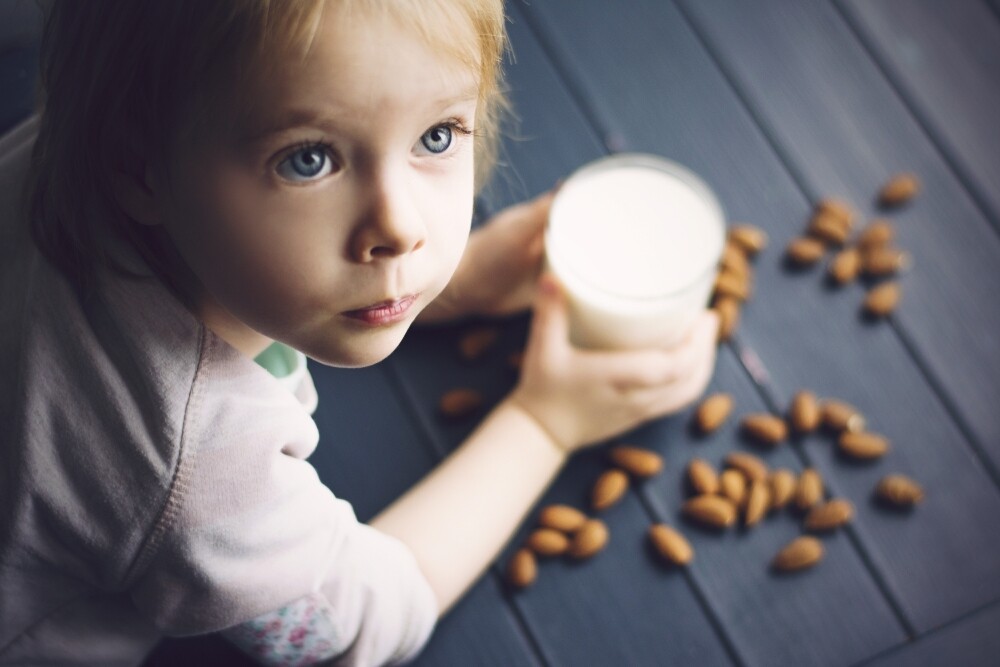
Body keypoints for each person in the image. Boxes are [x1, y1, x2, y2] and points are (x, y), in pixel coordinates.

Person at [0, 1, 719, 665]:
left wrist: (454, 283)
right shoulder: (196, 479)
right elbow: (365, 626)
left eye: (436, 135)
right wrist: (546, 421)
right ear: (140, 169)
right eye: (308, 159)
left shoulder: (75, 148)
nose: (402, 226)